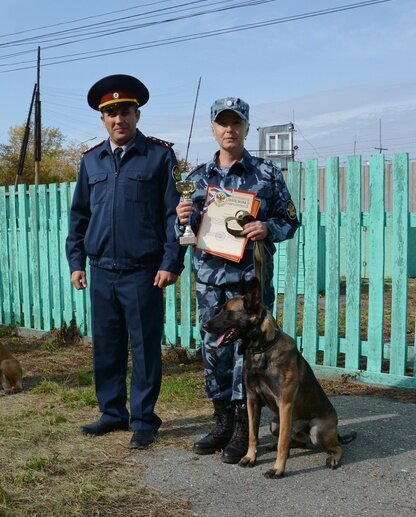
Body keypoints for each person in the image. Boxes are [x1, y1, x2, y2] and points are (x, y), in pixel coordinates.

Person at [176, 97, 300, 463]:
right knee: (214, 349)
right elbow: (182, 232)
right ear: (213, 129)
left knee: (251, 355)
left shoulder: (267, 174)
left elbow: (290, 220)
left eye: (236, 123)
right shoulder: (196, 179)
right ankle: (222, 424)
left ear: (246, 127)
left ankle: (245, 432)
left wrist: (268, 227)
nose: (229, 129)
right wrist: (181, 215)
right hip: (211, 280)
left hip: (250, 284)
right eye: (222, 123)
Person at [66, 74, 185, 450]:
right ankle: (112, 413)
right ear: (103, 119)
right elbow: (79, 216)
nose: (120, 119)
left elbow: (174, 217)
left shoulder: (159, 157)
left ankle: (144, 419)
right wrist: (77, 261)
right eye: (111, 113)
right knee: (106, 345)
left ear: (138, 114)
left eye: (126, 112)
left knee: (146, 348)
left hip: (144, 272)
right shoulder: (91, 161)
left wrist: (171, 262)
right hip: (101, 270)